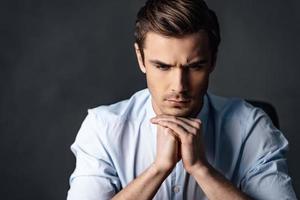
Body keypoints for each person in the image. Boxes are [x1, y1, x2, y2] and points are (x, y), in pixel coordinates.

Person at [67, 0, 297, 199]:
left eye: (195, 66)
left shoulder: (251, 127)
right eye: (162, 66)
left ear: (213, 60)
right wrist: (158, 169)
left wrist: (201, 169)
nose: (179, 86)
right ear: (141, 58)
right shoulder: (103, 128)